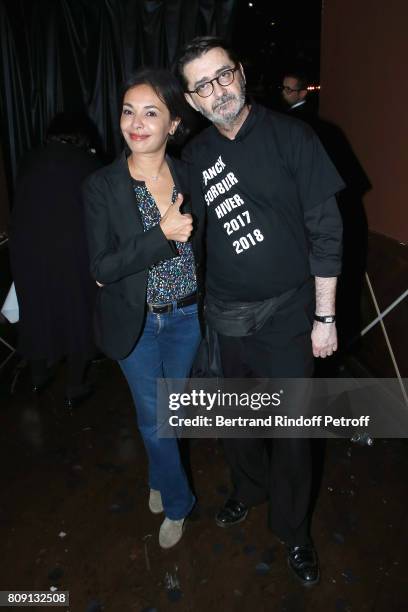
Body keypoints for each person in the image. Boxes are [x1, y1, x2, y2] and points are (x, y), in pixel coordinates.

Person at [177, 36, 344, 585]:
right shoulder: (197, 155)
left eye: (223, 75)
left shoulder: (294, 137)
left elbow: (327, 231)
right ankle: (248, 490)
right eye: (203, 85)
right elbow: (189, 239)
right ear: (193, 100)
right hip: (224, 318)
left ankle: (294, 530)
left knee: (294, 433)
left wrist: (325, 318)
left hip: (289, 316)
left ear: (241, 73)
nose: (217, 90)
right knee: (236, 424)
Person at [83, 68, 203, 549]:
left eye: (151, 112)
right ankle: (179, 504)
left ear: (173, 123)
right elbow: (102, 266)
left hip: (188, 317)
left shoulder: (191, 174)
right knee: (158, 418)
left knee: (163, 417)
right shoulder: (101, 186)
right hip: (138, 321)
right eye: (129, 111)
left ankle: (159, 475)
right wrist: (163, 235)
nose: (136, 122)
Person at [9, 113, 102, 407]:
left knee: (36, 309)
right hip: (73, 251)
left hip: (27, 249)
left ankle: (38, 376)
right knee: (77, 313)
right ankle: (75, 386)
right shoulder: (87, 163)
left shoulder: (29, 159)